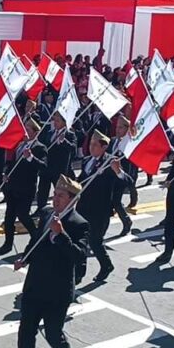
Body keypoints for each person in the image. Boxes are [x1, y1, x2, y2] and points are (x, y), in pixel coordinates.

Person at [4, 175, 89, 348]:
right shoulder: (46, 214)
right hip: (34, 286)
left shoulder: (79, 224)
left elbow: (79, 256)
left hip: (57, 291)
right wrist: (25, 258)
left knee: (53, 334)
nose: (56, 199)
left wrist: (61, 235)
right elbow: (36, 242)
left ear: (72, 200)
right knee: (25, 333)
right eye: (55, 194)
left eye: (61, 196)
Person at [75, 130, 128, 282]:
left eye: (95, 145)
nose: (91, 148)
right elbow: (82, 180)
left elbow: (127, 181)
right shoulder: (86, 161)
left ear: (104, 147)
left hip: (100, 211)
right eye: (90, 144)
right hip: (83, 207)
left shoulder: (110, 163)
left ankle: (106, 265)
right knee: (81, 242)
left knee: (95, 242)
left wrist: (118, 171)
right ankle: (79, 274)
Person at [0, 118, 47, 257]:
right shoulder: (20, 145)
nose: (25, 132)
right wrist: (6, 174)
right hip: (13, 186)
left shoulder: (39, 148)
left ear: (35, 132)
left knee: (22, 215)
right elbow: (12, 163)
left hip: (26, 187)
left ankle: (36, 236)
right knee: (9, 217)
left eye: (28, 129)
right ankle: (7, 244)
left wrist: (31, 158)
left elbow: (43, 166)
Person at [35, 111, 75, 213]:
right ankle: (40, 209)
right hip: (47, 168)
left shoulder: (69, 134)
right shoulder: (49, 133)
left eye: (57, 120)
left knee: (59, 192)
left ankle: (62, 210)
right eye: (54, 120)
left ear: (64, 122)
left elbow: (73, 149)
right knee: (42, 190)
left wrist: (63, 141)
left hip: (60, 169)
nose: (55, 123)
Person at [108, 116, 134, 236]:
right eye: (116, 127)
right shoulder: (112, 141)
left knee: (116, 201)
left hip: (121, 176)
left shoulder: (129, 143)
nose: (117, 130)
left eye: (120, 127)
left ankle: (126, 221)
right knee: (111, 201)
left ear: (127, 129)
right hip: (110, 176)